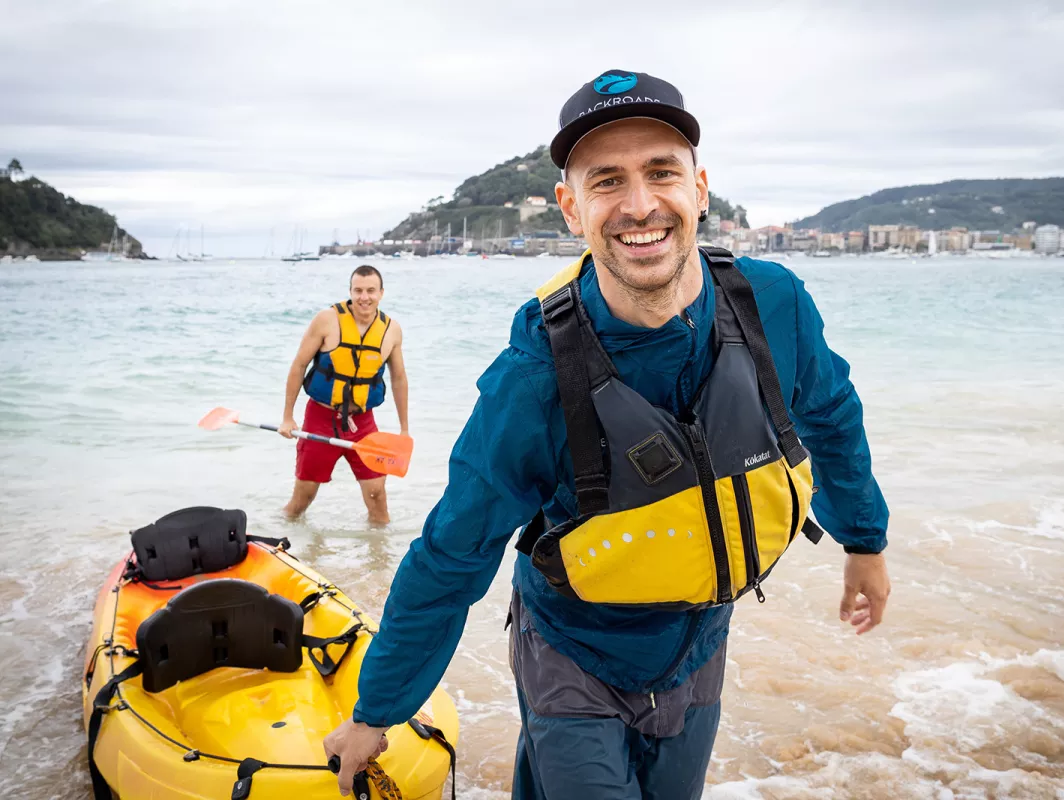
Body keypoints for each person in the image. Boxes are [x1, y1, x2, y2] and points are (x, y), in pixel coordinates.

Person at [324, 70, 891, 798]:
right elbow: (452, 557)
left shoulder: (771, 305)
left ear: (700, 188)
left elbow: (833, 418)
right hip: (573, 650)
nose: (640, 205)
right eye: (606, 181)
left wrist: (865, 542)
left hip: (700, 642)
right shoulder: (532, 380)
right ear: (570, 207)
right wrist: (379, 710)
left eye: (662, 173)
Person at [279, 264, 408, 525]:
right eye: (358, 290)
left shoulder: (391, 330)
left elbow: (398, 379)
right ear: (350, 291)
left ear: (381, 293)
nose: (364, 297)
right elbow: (299, 365)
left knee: (378, 498)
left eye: (371, 291)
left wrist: (404, 430)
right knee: (302, 500)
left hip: (363, 423)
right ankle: (283, 543)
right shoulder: (327, 320)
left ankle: (381, 560)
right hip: (320, 418)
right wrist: (287, 417)